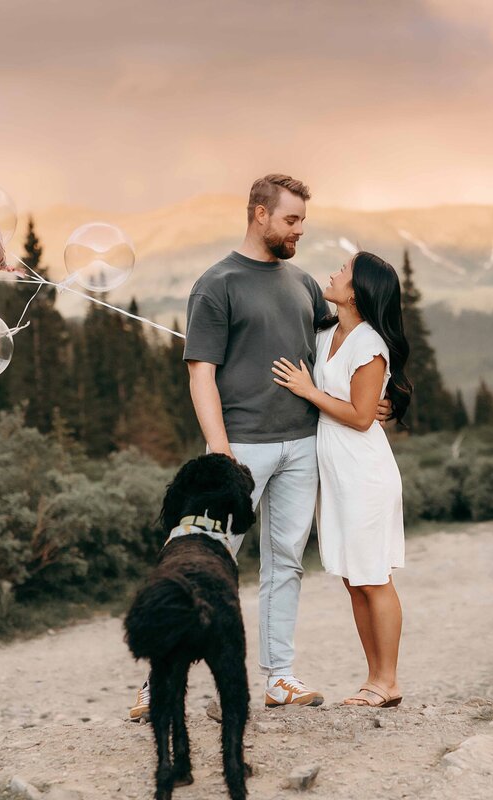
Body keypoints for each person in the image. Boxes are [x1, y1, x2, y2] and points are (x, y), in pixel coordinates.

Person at [132, 174, 390, 720]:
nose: (299, 230)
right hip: (240, 449)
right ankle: (159, 683)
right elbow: (201, 373)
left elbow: (346, 348)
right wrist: (219, 449)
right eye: (291, 220)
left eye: (302, 221)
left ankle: (279, 677)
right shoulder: (216, 284)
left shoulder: (302, 284)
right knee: (204, 558)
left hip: (302, 446)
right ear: (260, 215)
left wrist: (387, 399)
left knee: (286, 563)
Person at [271, 251, 410, 708]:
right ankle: (373, 678)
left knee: (373, 577)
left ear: (356, 291)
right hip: (336, 472)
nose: (334, 272)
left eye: (344, 270)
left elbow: (362, 416)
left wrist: (309, 392)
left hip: (364, 472)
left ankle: (388, 681)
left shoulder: (370, 344)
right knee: (354, 579)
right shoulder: (327, 332)